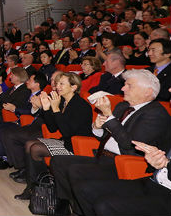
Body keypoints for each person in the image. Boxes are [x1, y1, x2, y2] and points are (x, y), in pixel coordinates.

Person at [50, 69, 171, 213]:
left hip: (122, 161)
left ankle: (79, 209)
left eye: (129, 85)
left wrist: (109, 116)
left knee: (75, 172)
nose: (122, 88)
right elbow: (104, 135)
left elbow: (129, 144)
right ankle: (69, 205)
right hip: (103, 155)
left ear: (147, 92)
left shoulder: (155, 113)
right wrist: (97, 127)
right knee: (58, 161)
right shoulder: (122, 106)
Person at [15, 72, 92, 201]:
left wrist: (55, 110)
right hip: (65, 142)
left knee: (35, 148)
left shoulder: (81, 106)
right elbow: (52, 128)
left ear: (73, 87)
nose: (57, 87)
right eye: (57, 84)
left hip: (76, 147)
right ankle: (34, 186)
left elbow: (68, 132)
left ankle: (39, 187)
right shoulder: (62, 101)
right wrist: (46, 109)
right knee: (29, 144)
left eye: (62, 84)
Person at [71, 140, 171, 215]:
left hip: (166, 195)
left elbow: (126, 144)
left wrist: (166, 163)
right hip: (152, 182)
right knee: (85, 188)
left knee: (104, 205)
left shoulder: (158, 113)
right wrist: (154, 158)